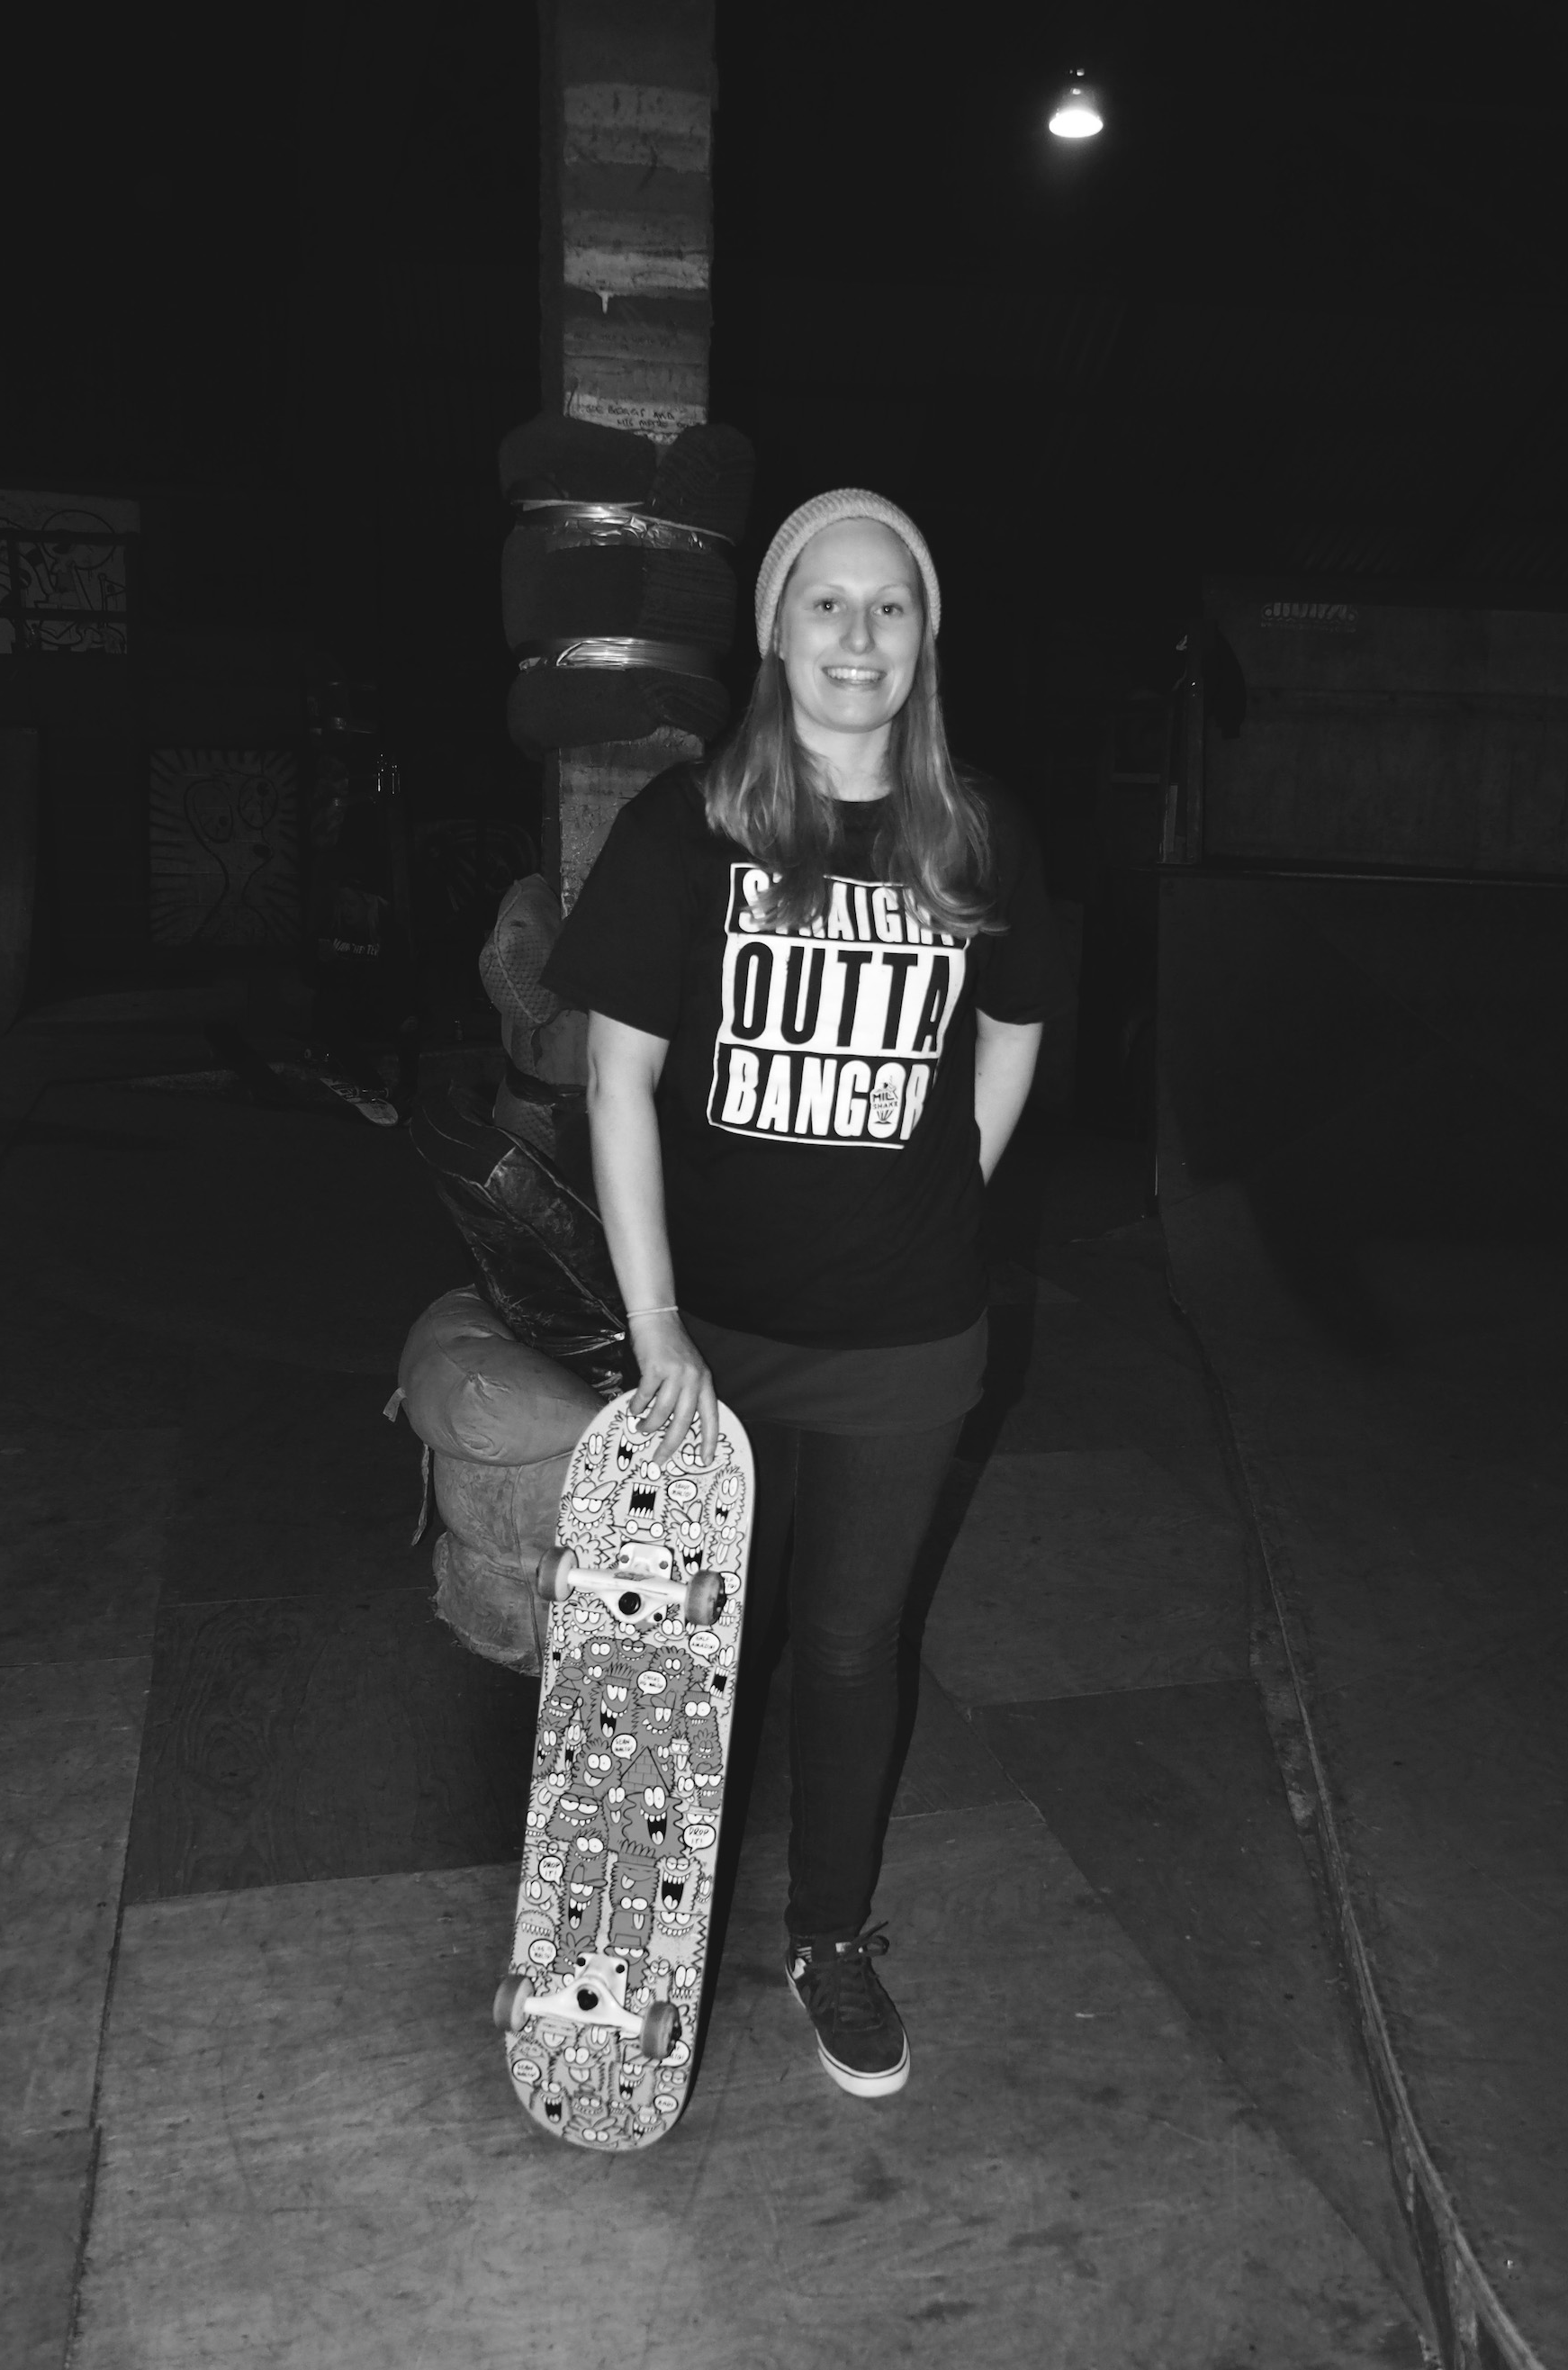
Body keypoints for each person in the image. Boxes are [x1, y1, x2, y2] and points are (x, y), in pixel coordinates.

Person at [540, 488, 1049, 2098]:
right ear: (774, 627)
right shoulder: (687, 828)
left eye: (891, 604)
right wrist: (659, 1327)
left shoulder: (974, 832)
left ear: (925, 634)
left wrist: (946, 1187)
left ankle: (827, 1934)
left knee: (843, 1644)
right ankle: (646, 1940)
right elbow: (617, 1080)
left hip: (909, 1343)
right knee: (692, 1650)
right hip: (721, 1342)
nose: (858, 634)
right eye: (825, 601)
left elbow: (1018, 1020)